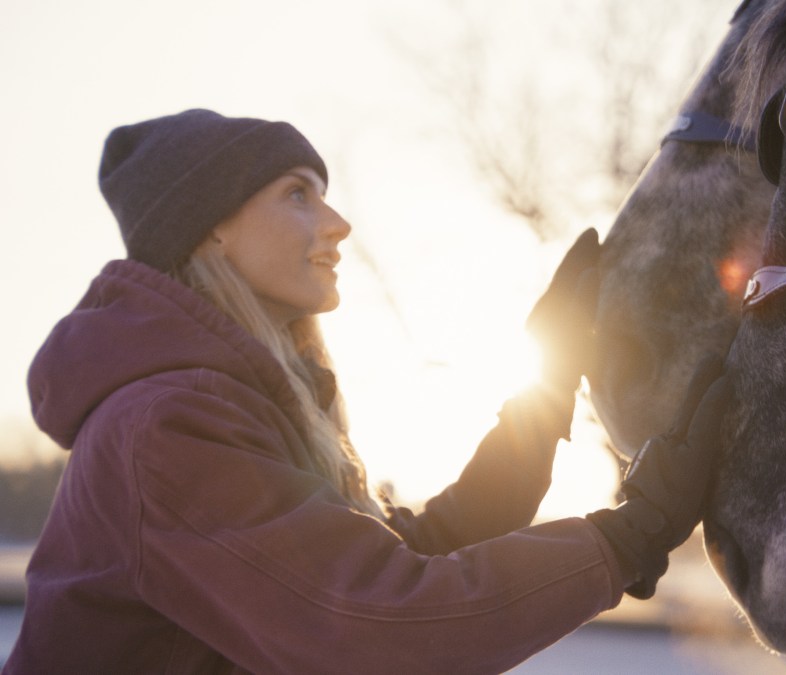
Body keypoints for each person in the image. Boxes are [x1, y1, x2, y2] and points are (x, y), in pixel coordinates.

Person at [4, 109, 729, 674]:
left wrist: (546, 388)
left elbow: (409, 553)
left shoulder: (236, 405)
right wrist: (631, 534)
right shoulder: (166, 431)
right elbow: (373, 626)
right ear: (211, 228)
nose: (337, 223)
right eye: (297, 194)